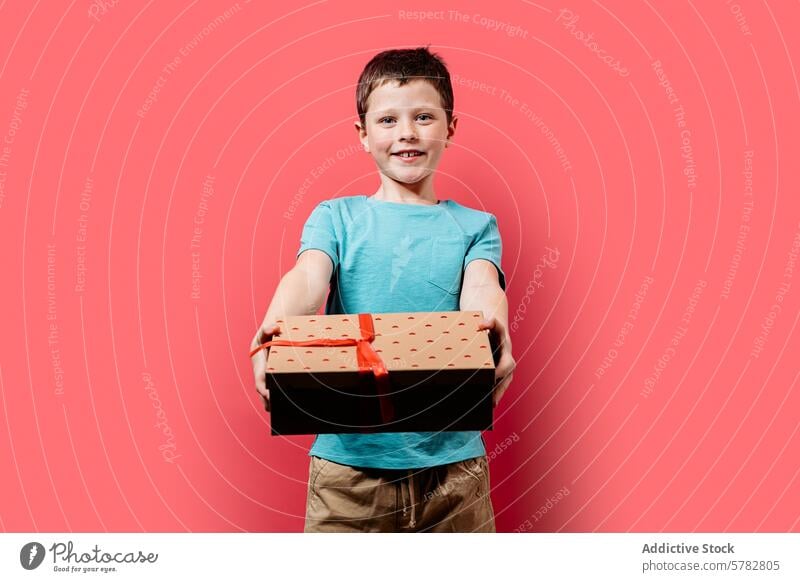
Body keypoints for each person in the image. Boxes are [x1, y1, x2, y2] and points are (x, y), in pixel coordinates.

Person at [250, 46, 515, 532]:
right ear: (363, 135)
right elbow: (310, 277)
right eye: (388, 120)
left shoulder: (475, 226)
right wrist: (273, 328)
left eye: (423, 117)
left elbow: (482, 285)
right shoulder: (336, 218)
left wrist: (496, 326)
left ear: (451, 128)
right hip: (348, 474)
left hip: (454, 474)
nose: (407, 133)